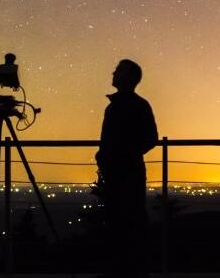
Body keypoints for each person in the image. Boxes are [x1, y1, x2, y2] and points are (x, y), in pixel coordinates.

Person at [96, 58, 158, 276]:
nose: (113, 73)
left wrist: (120, 154)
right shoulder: (130, 105)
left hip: (124, 173)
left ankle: (126, 268)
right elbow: (150, 139)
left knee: (125, 221)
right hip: (124, 171)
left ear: (129, 77)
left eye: (118, 71)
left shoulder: (129, 106)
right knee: (127, 220)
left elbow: (150, 138)